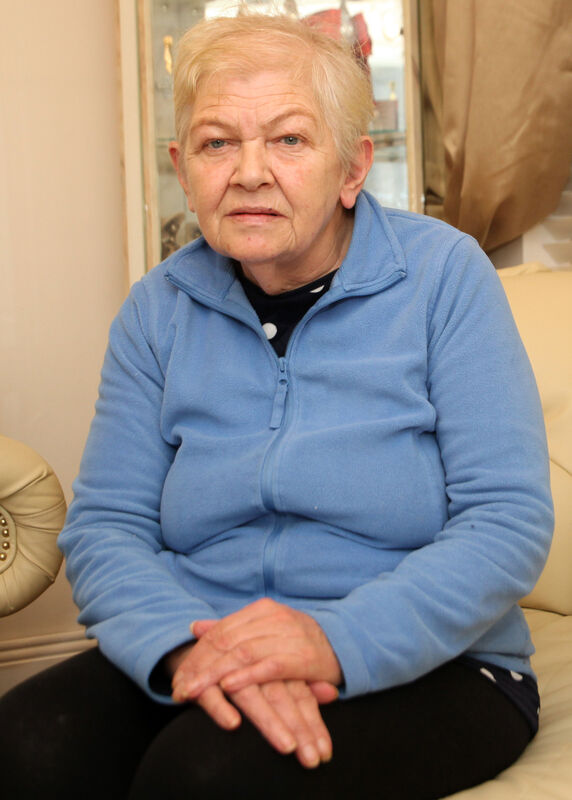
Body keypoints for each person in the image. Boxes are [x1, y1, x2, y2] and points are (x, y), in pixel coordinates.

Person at [0, 12, 553, 800]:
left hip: (444, 660)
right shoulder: (158, 310)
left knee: (204, 778)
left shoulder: (444, 279)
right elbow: (106, 528)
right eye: (217, 142)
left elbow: (506, 522)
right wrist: (186, 653)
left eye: (289, 140)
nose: (249, 171)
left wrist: (329, 641)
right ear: (183, 169)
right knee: (25, 746)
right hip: (208, 635)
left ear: (352, 167)